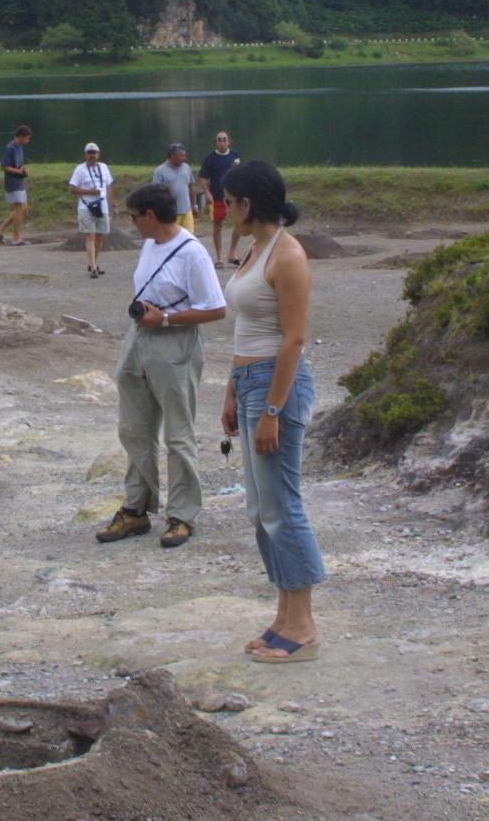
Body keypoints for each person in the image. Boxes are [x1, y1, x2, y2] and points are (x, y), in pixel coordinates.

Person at [218, 161, 323, 663]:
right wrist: (232, 390)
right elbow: (245, 330)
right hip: (252, 382)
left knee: (283, 506)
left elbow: (294, 338)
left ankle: (302, 625)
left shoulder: (289, 256)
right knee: (262, 510)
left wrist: (273, 410)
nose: (222, 208)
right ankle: (284, 613)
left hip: (277, 387)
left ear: (248, 204)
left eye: (228, 200)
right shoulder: (256, 250)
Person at [95, 183, 228, 549]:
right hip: (139, 339)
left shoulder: (192, 253)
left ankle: (183, 515)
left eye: (134, 216)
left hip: (175, 342)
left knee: (177, 432)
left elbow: (216, 308)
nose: (132, 223)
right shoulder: (151, 244)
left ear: (151, 216)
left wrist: (166, 319)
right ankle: (136, 509)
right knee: (135, 428)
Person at [68, 143, 116, 278]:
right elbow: (72, 189)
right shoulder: (80, 169)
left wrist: (113, 204)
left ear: (98, 154)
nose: (92, 155)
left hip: (102, 207)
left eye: (94, 153)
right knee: (90, 235)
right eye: (89, 153)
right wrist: (90, 191)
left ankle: (93, 262)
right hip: (86, 206)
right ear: (85, 155)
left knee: (100, 236)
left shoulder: (104, 168)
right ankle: (94, 268)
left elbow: (109, 187)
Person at [199, 130, 245, 264]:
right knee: (217, 225)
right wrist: (207, 193)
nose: (222, 141)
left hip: (234, 196)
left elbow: (240, 173)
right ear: (216, 142)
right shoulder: (210, 158)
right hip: (217, 196)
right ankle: (219, 257)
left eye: (224, 139)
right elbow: (202, 177)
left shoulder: (235, 156)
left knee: (238, 223)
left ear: (229, 141)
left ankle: (232, 253)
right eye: (219, 139)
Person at [0, 125, 33, 245]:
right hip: (13, 182)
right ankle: (16, 238)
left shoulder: (20, 147)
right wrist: (19, 171)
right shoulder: (10, 148)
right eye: (27, 138)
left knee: (24, 209)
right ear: (20, 136)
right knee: (19, 209)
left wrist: (23, 169)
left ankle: (0, 228)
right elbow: (3, 167)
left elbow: (17, 164)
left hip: (20, 181)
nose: (28, 141)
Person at [152, 142, 197, 237]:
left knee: (189, 237)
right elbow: (155, 193)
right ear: (172, 155)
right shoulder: (160, 171)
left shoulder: (187, 168)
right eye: (181, 155)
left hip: (186, 210)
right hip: (171, 212)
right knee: (172, 237)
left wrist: (195, 205)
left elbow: (191, 187)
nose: (184, 158)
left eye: (184, 155)